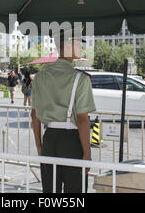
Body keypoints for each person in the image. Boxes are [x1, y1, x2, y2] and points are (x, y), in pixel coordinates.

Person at [31, 31, 96, 193]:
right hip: (72, 140)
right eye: (78, 44)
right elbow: (82, 120)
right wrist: (87, 153)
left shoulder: (40, 76)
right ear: (67, 46)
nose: (81, 47)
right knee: (75, 192)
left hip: (50, 137)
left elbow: (34, 114)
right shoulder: (80, 79)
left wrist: (39, 145)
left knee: (50, 191)